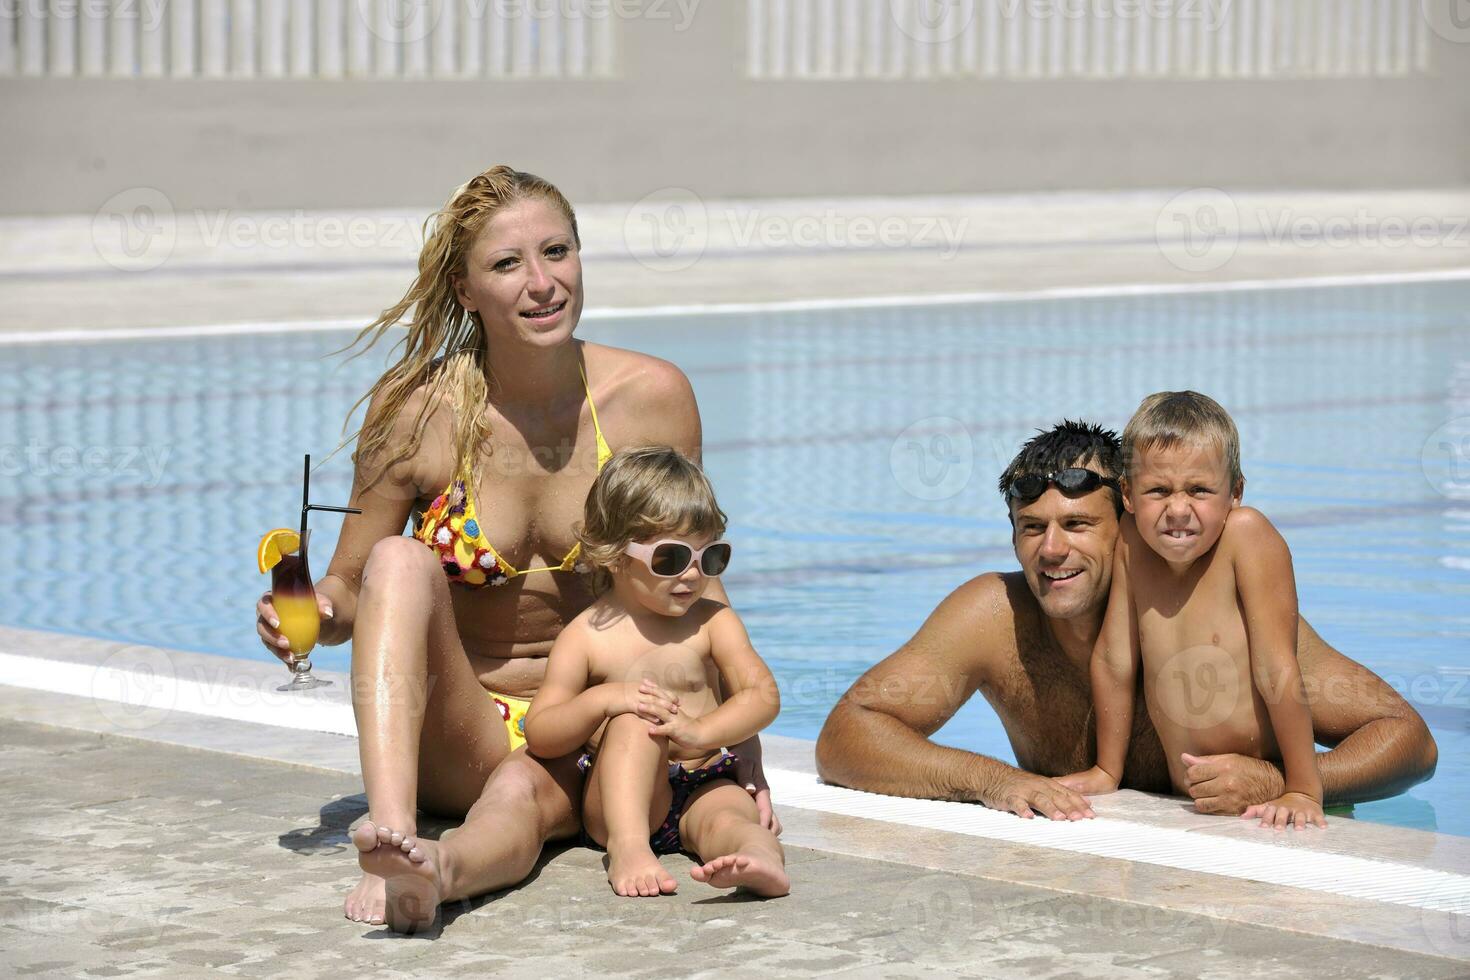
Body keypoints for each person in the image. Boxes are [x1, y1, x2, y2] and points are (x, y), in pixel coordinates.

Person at [252, 167, 777, 934]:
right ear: (466, 291)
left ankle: (430, 876)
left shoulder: (651, 398)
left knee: (518, 804)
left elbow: (689, 577)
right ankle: (393, 828)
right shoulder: (416, 410)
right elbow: (352, 587)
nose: (543, 283)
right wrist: (308, 611)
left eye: (557, 252)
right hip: (466, 726)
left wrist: (743, 750)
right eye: (508, 265)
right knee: (402, 561)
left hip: (604, 733)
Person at [817, 420, 1437, 821]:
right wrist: (992, 781)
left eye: (1079, 526)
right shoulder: (994, 617)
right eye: (1032, 529)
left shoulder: (1225, 617)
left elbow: (1409, 739)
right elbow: (846, 735)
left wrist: (1286, 781)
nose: (1052, 552)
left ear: (1131, 531)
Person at [523, 447, 789, 898]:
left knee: (731, 818)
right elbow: (542, 732)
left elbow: (762, 695)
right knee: (635, 720)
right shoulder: (586, 636)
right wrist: (604, 701)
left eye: (710, 558)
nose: (692, 574)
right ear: (614, 554)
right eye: (670, 558)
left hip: (704, 778)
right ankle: (629, 849)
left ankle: (757, 859)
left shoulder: (712, 621)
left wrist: (701, 732)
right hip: (622, 801)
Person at [1056, 393, 1324, 829]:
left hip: (1263, 793)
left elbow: (1277, 668)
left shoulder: (1246, 537)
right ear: (1127, 494)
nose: (1177, 510)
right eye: (1158, 490)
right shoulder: (1131, 544)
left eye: (1199, 490)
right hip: (1190, 803)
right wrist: (1108, 769)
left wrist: (1302, 789)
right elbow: (1113, 659)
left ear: (1235, 491)